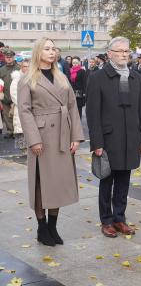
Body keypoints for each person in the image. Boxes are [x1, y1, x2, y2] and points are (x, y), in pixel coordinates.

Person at [18, 37, 84, 247]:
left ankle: (53, 226)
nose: (52, 52)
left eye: (54, 48)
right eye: (47, 48)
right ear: (38, 52)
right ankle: (41, 226)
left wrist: (76, 136)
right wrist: (34, 139)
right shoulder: (27, 79)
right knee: (41, 183)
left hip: (62, 136)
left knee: (58, 183)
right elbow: (24, 111)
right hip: (42, 137)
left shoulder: (62, 77)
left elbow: (72, 107)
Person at [86, 36, 141, 238]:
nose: (123, 54)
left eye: (126, 51)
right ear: (110, 53)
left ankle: (119, 219)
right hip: (108, 138)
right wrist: (97, 142)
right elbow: (93, 114)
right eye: (119, 51)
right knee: (107, 181)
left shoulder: (135, 77)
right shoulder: (97, 77)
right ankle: (106, 221)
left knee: (124, 181)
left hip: (131, 137)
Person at [10, 59, 30, 151]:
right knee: (21, 129)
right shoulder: (17, 78)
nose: (27, 68)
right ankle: (23, 149)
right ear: (21, 67)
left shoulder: (33, 77)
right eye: (25, 66)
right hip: (20, 107)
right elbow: (14, 94)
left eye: (29, 66)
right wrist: (23, 104)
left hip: (32, 107)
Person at [0, 49, 20, 138]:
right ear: (5, 58)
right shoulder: (1, 70)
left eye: (10, 57)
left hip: (16, 97)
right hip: (4, 97)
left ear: (13, 57)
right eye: (7, 57)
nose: (9, 59)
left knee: (16, 115)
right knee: (6, 116)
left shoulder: (18, 68)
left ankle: (17, 132)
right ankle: (10, 131)